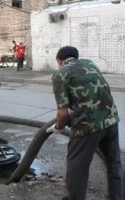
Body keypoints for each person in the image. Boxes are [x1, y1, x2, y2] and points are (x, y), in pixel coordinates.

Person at [47, 46, 123, 200]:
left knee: (77, 168)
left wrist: (58, 128)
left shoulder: (60, 74)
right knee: (114, 164)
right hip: (111, 119)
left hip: (87, 127)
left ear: (59, 61)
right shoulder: (90, 64)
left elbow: (62, 112)